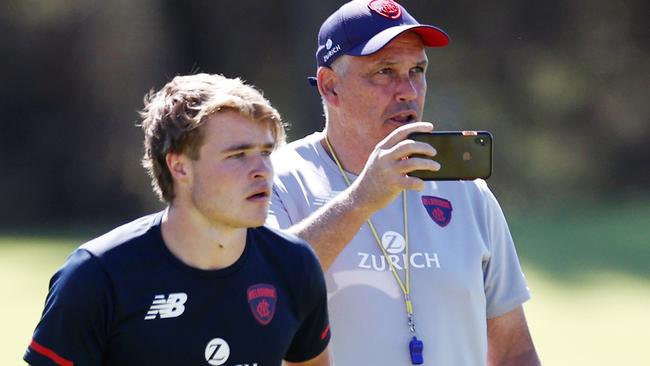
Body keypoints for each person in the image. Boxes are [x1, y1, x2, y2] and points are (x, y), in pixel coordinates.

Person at [266, 0, 540, 365]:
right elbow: (263, 290)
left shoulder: (467, 191)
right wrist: (361, 199)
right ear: (330, 87)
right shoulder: (277, 179)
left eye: (418, 70)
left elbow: (513, 350)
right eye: (385, 71)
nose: (408, 90)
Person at [24, 73, 331, 366]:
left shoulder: (294, 265)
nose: (262, 169)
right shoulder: (97, 276)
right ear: (180, 167)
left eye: (265, 152)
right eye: (238, 155)